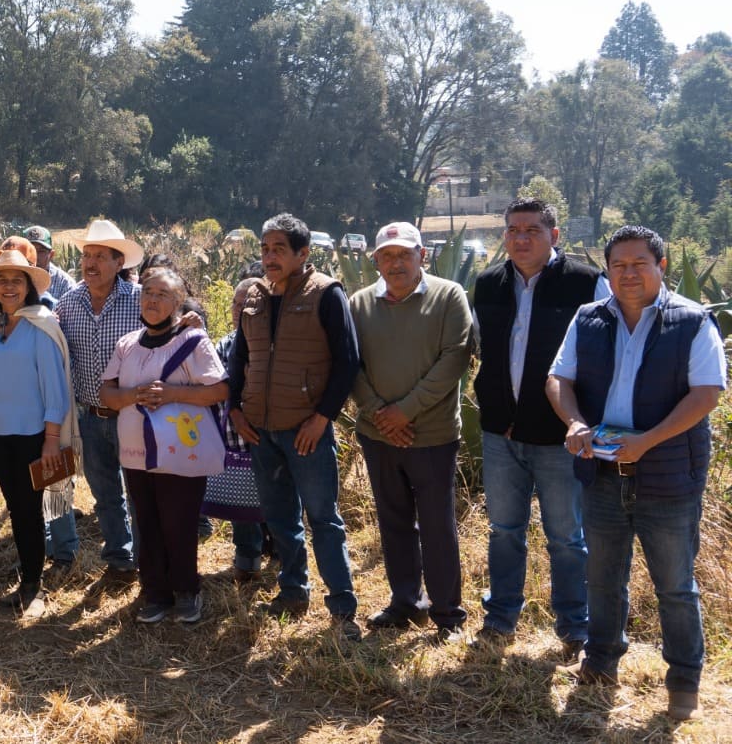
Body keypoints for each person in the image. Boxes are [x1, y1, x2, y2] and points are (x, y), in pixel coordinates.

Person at [547, 225, 724, 722]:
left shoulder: (691, 321)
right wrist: (576, 422)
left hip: (668, 479)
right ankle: (602, 662)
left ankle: (684, 681)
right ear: (607, 270)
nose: (628, 273)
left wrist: (647, 441)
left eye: (638, 264)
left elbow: (705, 394)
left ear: (660, 266)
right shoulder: (589, 319)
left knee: (674, 585)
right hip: (601, 474)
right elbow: (558, 378)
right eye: (618, 265)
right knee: (602, 579)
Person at [472, 198, 606, 657]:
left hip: (558, 437)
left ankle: (574, 626)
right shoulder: (488, 283)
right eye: (512, 230)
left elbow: (605, 356)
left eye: (531, 229)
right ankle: (501, 616)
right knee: (504, 530)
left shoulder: (587, 283)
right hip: (499, 433)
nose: (521, 238)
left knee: (566, 537)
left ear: (555, 234)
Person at [227, 213, 362, 641]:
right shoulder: (255, 298)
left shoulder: (327, 294)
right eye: (265, 249)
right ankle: (292, 592)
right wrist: (235, 409)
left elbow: (348, 362)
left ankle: (342, 607)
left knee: (323, 518)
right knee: (280, 517)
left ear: (303, 254)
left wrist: (322, 419)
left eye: (278, 249)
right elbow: (239, 358)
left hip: (307, 431)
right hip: (261, 431)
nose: (269, 257)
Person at [348, 222, 475, 641]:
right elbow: (351, 364)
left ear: (422, 256)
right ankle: (405, 604)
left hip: (432, 435)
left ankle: (447, 614)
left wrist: (405, 411)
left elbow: (455, 358)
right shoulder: (359, 303)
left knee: (437, 525)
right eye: (387, 255)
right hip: (378, 434)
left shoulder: (448, 296)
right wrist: (379, 413)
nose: (396, 262)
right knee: (394, 520)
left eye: (404, 254)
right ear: (376, 262)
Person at [100, 267, 229, 625]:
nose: (152, 300)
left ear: (177, 302)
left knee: (179, 521)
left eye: (162, 294)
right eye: (147, 293)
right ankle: (156, 592)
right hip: (135, 449)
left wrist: (172, 394)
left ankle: (187, 591)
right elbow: (107, 394)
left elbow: (220, 390)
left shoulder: (193, 342)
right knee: (147, 520)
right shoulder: (127, 344)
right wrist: (131, 396)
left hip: (180, 450)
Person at [0, 250, 75, 618]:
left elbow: (54, 390)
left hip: (33, 437)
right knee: (16, 508)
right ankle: (29, 577)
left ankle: (32, 586)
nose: (9, 287)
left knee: (29, 511)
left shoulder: (42, 326)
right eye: (2, 280)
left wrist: (50, 442)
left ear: (29, 286)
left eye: (17, 280)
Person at [52, 219, 146, 583]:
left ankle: (146, 558)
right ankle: (119, 559)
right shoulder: (69, 303)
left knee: (138, 494)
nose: (90, 263)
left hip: (132, 416)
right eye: (87, 255)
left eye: (100, 257)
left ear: (119, 263)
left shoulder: (139, 301)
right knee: (105, 493)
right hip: (89, 417)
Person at [208, 277, 271, 582]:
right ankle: (247, 561)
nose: (240, 309)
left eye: (248, 304)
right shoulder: (222, 344)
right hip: (236, 439)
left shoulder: (276, 344)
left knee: (279, 501)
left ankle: (283, 557)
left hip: (273, 438)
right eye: (236, 303)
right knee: (243, 505)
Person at [23, 225, 75, 301]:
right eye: (30, 251)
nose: (35, 257)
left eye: (41, 252)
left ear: (51, 255)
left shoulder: (65, 284)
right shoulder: (11, 280)